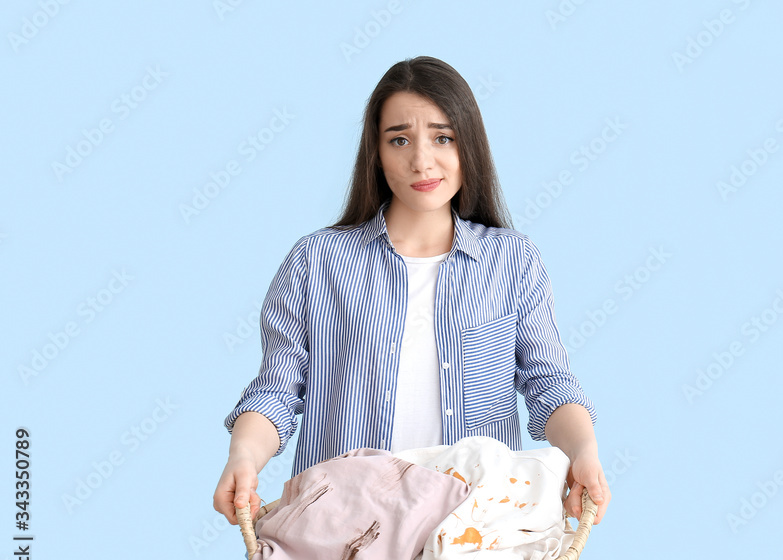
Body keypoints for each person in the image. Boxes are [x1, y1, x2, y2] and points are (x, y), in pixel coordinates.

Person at [212, 56, 610, 530]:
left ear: (469, 145)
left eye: (442, 137)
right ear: (375, 153)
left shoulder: (512, 261)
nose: (421, 160)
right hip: (342, 529)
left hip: (474, 531)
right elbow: (278, 389)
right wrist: (243, 457)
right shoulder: (316, 262)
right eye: (399, 139)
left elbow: (548, 382)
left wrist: (584, 450)